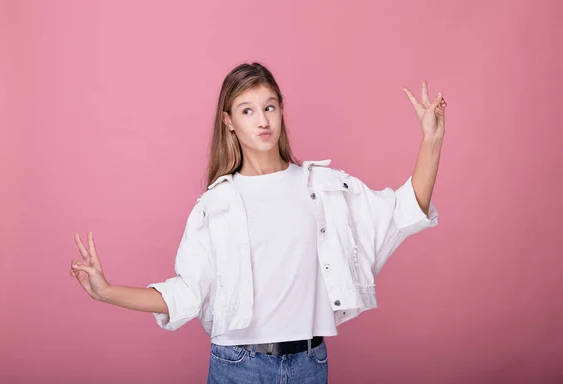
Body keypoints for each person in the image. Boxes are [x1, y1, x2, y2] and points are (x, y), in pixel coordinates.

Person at [70, 62, 446, 383]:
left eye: (269, 107)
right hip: (239, 367)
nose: (262, 121)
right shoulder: (216, 204)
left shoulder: (324, 187)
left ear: (282, 110)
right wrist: (107, 292)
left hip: (310, 365)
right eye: (247, 111)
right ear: (228, 121)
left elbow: (404, 210)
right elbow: (187, 293)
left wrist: (431, 139)